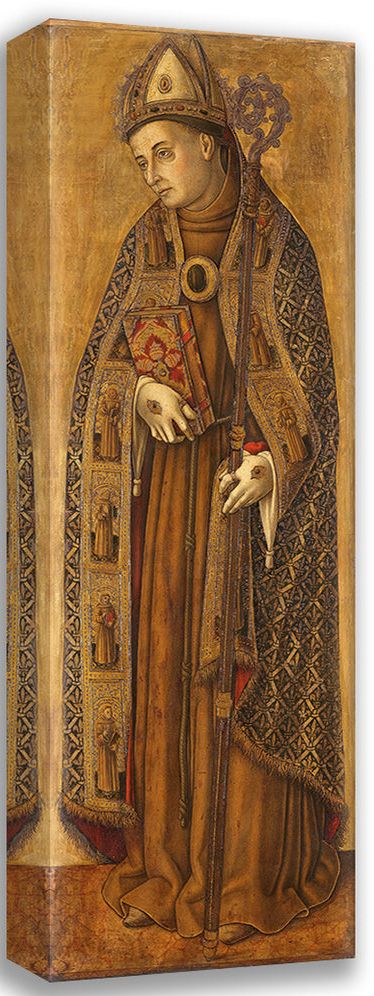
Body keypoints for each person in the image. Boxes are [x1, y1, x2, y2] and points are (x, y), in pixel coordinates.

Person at [96, 36, 345, 944]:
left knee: (240, 684)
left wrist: (276, 465)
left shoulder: (281, 245)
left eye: (163, 152)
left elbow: (317, 396)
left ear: (210, 141)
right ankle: (167, 870)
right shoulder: (146, 243)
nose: (152, 174)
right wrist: (139, 390)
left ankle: (245, 883)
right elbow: (102, 367)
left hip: (248, 505)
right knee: (168, 670)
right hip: (171, 502)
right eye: (141, 160)